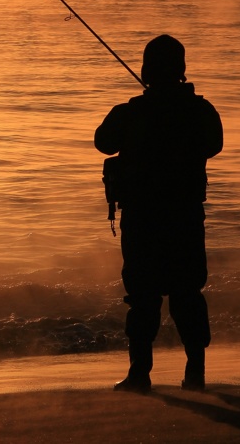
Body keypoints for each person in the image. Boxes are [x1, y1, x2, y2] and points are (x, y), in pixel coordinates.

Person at [95, 34, 223, 394]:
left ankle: (140, 374)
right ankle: (195, 374)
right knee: (187, 293)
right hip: (184, 218)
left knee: (143, 297)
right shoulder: (200, 110)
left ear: (146, 70)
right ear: (181, 70)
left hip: (144, 220)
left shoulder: (131, 112)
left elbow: (102, 141)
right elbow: (215, 144)